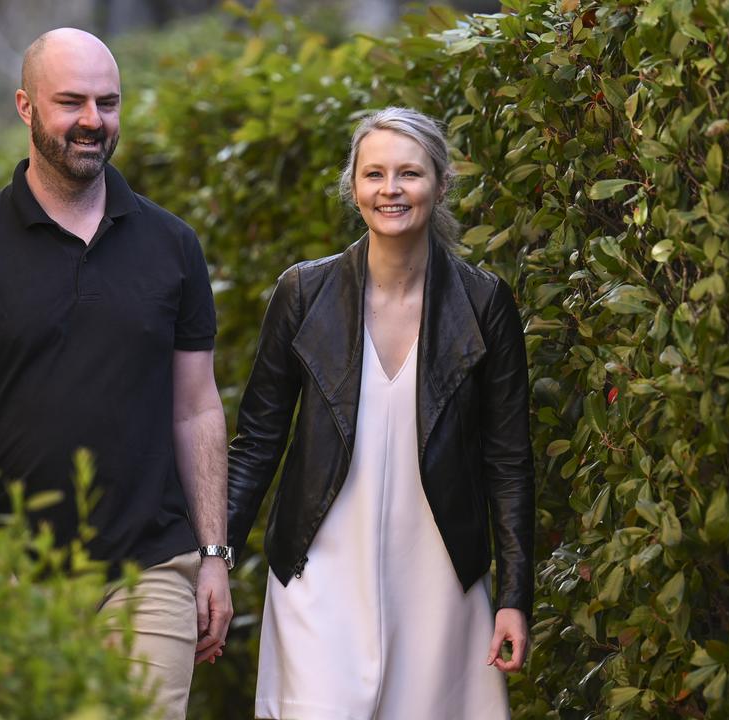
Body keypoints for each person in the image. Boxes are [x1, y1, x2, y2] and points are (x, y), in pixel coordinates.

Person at [0, 28, 232, 719]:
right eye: (72, 102)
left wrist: (212, 554)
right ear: (25, 106)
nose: (93, 121)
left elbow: (196, 408)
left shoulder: (173, 246)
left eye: (108, 103)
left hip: (152, 566)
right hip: (11, 566)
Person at [227, 107, 535, 719]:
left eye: (409, 174)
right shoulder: (301, 294)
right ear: (354, 186)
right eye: (373, 174)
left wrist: (514, 596)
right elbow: (257, 443)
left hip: (439, 582)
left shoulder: (484, 303)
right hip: (317, 576)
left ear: (441, 185)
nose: (390, 190)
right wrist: (215, 562)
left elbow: (508, 460)